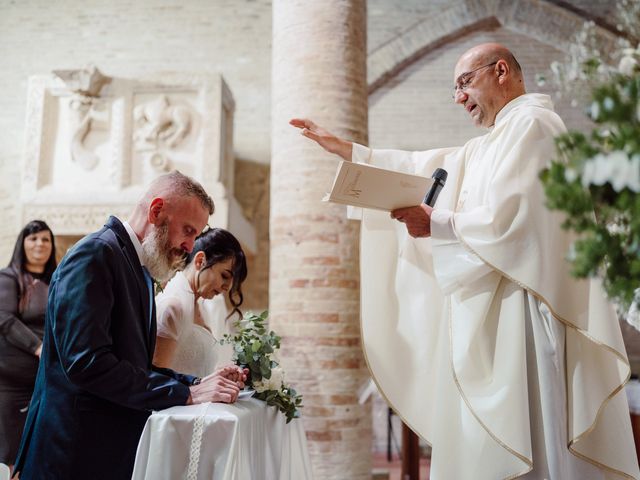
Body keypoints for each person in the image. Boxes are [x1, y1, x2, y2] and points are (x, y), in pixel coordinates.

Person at [291, 43, 640, 479]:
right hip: (500, 310)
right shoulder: (494, 140)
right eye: (454, 89)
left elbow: (514, 221)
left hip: (525, 310)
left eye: (464, 83)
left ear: (500, 71)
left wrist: (437, 223)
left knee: (531, 431)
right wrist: (351, 152)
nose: (458, 98)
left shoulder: (533, 124)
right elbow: (429, 167)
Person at [13, 171, 247, 480]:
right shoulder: (94, 254)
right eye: (188, 230)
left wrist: (196, 385)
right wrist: (184, 395)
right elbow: (88, 363)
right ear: (156, 211)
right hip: (73, 453)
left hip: (107, 451)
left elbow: (134, 363)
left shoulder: (138, 268)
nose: (190, 246)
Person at [0, 220, 56, 476]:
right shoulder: (8, 278)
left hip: (45, 383)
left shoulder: (57, 280)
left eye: (45, 239)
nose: (40, 244)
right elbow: (5, 319)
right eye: (33, 238)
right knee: (13, 460)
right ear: (22, 243)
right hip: (12, 386)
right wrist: (39, 347)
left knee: (41, 454)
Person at [153, 227, 248, 377]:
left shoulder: (202, 306)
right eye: (224, 275)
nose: (227, 287)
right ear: (200, 261)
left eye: (232, 281)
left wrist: (220, 378)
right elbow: (157, 382)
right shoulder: (172, 306)